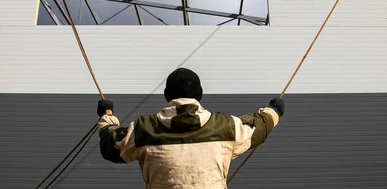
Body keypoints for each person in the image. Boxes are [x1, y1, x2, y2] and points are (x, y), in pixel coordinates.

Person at [96, 68, 284, 188]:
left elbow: (110, 144)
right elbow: (259, 125)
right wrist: (274, 109)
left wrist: (107, 115)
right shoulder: (227, 127)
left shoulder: (142, 130)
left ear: (167, 95)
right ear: (200, 94)